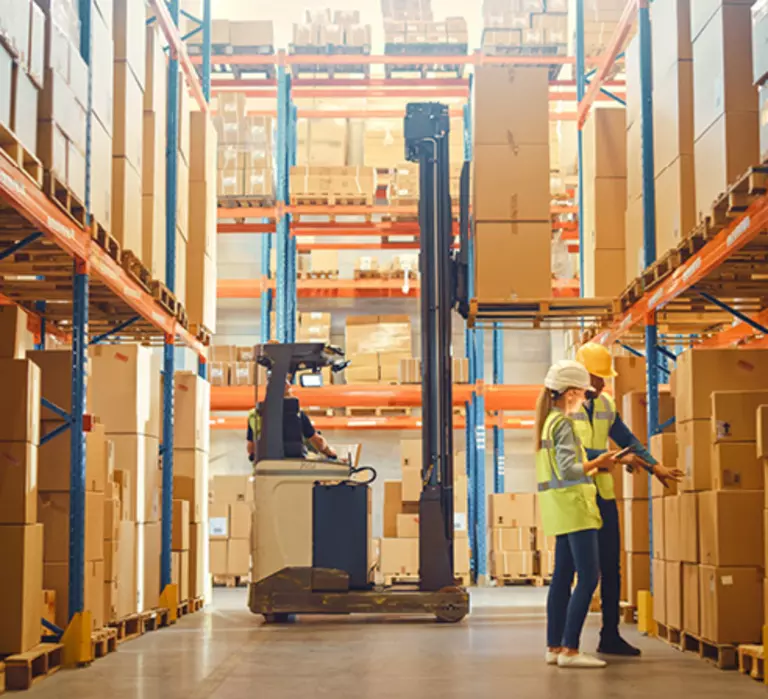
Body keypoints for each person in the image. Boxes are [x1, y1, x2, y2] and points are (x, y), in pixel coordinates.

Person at [573, 343, 683, 656]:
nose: (603, 383)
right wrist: (615, 458)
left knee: (611, 568)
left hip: (603, 496)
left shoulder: (605, 404)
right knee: (579, 573)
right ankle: (568, 643)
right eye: (598, 378)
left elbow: (629, 441)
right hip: (576, 498)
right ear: (583, 375)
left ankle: (610, 635)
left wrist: (655, 465)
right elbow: (573, 454)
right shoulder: (566, 407)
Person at [537, 360, 621, 669]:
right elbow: (569, 469)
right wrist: (600, 464)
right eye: (584, 394)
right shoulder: (565, 424)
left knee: (562, 576)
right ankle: (570, 650)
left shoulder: (547, 421)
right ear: (571, 393)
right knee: (588, 577)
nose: (587, 399)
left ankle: (554, 646)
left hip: (560, 507)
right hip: (577, 507)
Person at [247, 377, 337, 463]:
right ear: (288, 388)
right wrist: (329, 452)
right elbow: (317, 441)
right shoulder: (297, 414)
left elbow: (251, 447)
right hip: (295, 463)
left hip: (264, 464)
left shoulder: (254, 414)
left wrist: (254, 455)